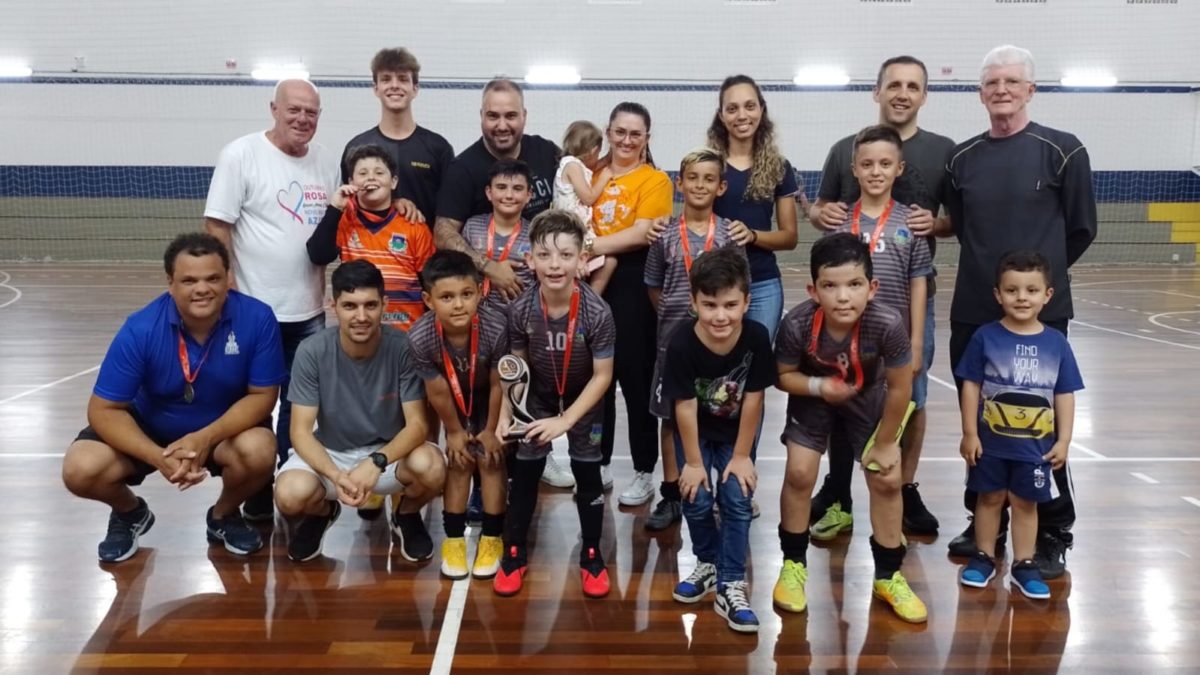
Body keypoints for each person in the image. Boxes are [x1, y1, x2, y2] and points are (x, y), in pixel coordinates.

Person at [942, 45, 1097, 579]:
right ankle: (986, 525)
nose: (1001, 90)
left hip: (1041, 319)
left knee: (1038, 423)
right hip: (973, 312)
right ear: (980, 93)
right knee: (984, 418)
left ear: (1031, 89)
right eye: (991, 82)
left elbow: (1082, 228)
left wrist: (1035, 289)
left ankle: (1051, 529)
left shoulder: (1063, 150)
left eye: (1012, 81)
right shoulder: (961, 159)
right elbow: (963, 228)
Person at [61, 233, 283, 562]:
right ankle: (129, 512)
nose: (202, 289)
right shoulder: (141, 328)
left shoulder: (258, 318)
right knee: (80, 469)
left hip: (222, 432)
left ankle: (223, 515)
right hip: (151, 428)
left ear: (227, 278)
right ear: (171, 283)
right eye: (189, 280)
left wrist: (206, 437)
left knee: (261, 451)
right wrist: (157, 456)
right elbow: (104, 410)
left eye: (212, 278)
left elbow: (264, 396)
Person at [809, 56, 954, 538]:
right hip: (846, 325)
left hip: (906, 317)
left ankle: (902, 487)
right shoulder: (842, 151)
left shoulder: (943, 152)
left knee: (909, 397)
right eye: (894, 84)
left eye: (913, 85)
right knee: (843, 401)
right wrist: (820, 214)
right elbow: (819, 211)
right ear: (877, 91)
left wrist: (934, 224)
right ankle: (839, 490)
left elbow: (956, 220)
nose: (902, 93)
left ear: (924, 95)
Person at [772, 233, 926, 623]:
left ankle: (888, 576)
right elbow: (784, 376)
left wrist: (888, 440)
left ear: (871, 288)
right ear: (813, 289)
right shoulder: (797, 323)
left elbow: (901, 384)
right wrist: (818, 386)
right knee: (799, 472)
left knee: (887, 479)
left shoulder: (888, 323)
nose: (843, 297)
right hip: (813, 395)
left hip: (869, 397)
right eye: (830, 286)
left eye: (854, 284)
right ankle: (792, 566)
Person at [204, 78, 339, 520]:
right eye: (294, 110)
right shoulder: (241, 154)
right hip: (253, 310)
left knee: (299, 404)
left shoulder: (324, 162)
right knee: (255, 403)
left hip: (309, 309)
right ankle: (255, 486)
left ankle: (286, 476)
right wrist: (229, 290)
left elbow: (331, 230)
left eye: (311, 113)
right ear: (274, 109)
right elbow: (218, 227)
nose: (302, 119)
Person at [432, 78, 573, 490]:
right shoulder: (464, 168)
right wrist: (488, 266)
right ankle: (478, 464)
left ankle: (538, 455)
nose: (502, 124)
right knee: (487, 392)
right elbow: (444, 232)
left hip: (537, 303)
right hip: (484, 313)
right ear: (481, 117)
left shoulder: (547, 152)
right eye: (493, 115)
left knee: (537, 384)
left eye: (510, 115)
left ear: (524, 117)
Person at [273, 260, 445, 563]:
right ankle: (323, 512)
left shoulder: (403, 347)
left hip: (389, 455)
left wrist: (376, 462)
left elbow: (417, 425)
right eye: (350, 306)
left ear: (385, 305)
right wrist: (334, 475)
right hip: (332, 454)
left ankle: (405, 513)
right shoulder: (312, 351)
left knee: (433, 468)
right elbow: (300, 431)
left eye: (370, 305)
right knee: (288, 495)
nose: (361, 316)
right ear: (333, 305)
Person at [493, 210, 616, 598]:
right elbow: (516, 369)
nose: (555, 264)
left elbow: (602, 377)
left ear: (582, 261)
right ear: (529, 260)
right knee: (525, 475)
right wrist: (504, 416)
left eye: (565, 255)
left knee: (588, 474)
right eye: (544, 255)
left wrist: (566, 420)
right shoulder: (520, 310)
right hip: (538, 399)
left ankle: (592, 555)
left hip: (584, 401)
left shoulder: (597, 313)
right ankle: (514, 553)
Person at [956, 251, 1082, 600]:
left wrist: (1065, 440)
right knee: (990, 497)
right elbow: (971, 385)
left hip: (1036, 448)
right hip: (991, 443)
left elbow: (1064, 393)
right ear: (998, 295)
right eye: (1012, 290)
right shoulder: (985, 337)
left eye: (1030, 290)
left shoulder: (1056, 343)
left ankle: (1024, 564)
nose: (1021, 297)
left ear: (1047, 295)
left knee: (1027, 503)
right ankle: (983, 556)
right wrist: (969, 432)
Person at [665, 248, 774, 634]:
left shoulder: (757, 337)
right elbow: (683, 405)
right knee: (695, 499)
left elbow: (755, 398)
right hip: (695, 434)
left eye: (730, 304)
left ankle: (731, 581)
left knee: (736, 499)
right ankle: (707, 563)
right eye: (710, 304)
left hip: (735, 435)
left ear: (746, 301)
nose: (721, 315)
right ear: (694, 302)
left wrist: (743, 455)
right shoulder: (680, 343)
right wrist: (693, 464)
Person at [643, 148, 742, 532]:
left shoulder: (730, 235)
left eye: (708, 179)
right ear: (679, 184)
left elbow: (739, 288)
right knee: (670, 417)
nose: (700, 185)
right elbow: (653, 285)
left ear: (721, 186)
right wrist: (676, 315)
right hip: (673, 344)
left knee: (717, 413)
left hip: (720, 347)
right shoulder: (663, 235)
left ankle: (726, 491)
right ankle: (671, 493)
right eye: (692, 178)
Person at [587, 102, 675, 505]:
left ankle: (643, 470)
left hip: (632, 284)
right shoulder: (591, 174)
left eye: (635, 134)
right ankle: (597, 460)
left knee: (635, 379)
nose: (626, 140)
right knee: (593, 377)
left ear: (647, 139)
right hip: (585, 281)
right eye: (619, 131)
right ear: (608, 131)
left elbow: (641, 234)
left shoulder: (654, 181)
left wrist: (583, 247)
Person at [408, 251, 509, 579]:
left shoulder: (496, 325)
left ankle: (492, 538)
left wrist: (491, 429)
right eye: (446, 297)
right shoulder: (420, 337)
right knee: (460, 458)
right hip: (452, 398)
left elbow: (497, 383)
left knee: (490, 458)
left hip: (487, 397)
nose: (458, 305)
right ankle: (453, 540)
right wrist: (453, 431)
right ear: (428, 299)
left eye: (467, 294)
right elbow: (437, 389)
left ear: (480, 291)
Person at [708, 74, 799, 343]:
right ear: (721, 115)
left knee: (754, 367)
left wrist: (753, 235)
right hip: (715, 285)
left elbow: (790, 237)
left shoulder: (780, 168)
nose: (742, 115)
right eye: (732, 108)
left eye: (750, 106)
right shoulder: (707, 164)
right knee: (717, 371)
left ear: (762, 109)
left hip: (762, 284)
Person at [308, 144, 436, 331]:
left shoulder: (414, 224)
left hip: (407, 332)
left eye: (379, 172)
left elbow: (430, 282)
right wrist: (335, 207)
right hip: (360, 330)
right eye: (363, 173)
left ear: (393, 182)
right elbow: (318, 255)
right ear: (351, 181)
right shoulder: (344, 220)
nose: (370, 178)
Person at [340, 47, 454, 225]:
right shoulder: (357, 147)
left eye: (402, 79)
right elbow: (347, 203)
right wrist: (391, 203)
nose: (394, 85)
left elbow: (449, 213)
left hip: (425, 249)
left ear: (415, 88)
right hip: (369, 250)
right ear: (376, 88)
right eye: (386, 79)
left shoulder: (438, 148)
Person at [552, 120, 617, 293]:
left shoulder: (577, 165)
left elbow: (598, 165)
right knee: (607, 259)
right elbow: (588, 198)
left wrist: (612, 152)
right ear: (593, 150)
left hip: (580, 229)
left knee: (610, 261)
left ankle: (590, 298)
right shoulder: (572, 165)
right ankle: (582, 298)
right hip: (570, 228)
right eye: (599, 152)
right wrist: (604, 178)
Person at [461, 160, 535, 310]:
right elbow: (461, 270)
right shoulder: (472, 226)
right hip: (478, 317)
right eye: (501, 187)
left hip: (520, 318)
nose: (509, 195)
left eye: (517, 189)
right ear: (489, 192)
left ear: (529, 195)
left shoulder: (536, 233)